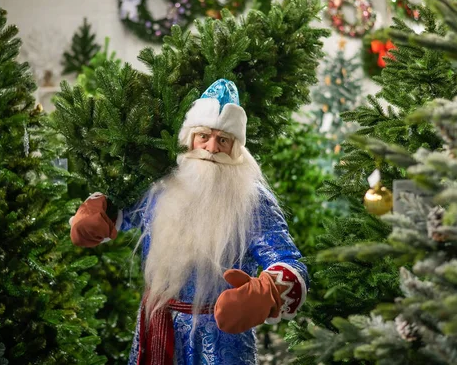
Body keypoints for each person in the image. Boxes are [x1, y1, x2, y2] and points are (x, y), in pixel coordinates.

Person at [70, 79, 307, 365]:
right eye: (204, 136)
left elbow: (288, 260)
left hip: (221, 338)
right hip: (158, 324)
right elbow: (123, 214)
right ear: (190, 137)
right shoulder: (163, 186)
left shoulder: (252, 200)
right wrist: (96, 216)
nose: (210, 148)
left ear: (235, 148)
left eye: (223, 140)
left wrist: (268, 290)